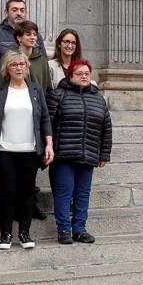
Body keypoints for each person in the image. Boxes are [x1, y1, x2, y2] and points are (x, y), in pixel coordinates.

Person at [0, 50, 53, 250]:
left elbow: (45, 119)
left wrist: (48, 144)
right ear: (7, 69)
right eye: (15, 65)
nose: (19, 68)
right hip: (5, 149)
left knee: (27, 192)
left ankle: (25, 232)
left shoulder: (36, 90)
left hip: (31, 150)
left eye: (22, 64)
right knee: (8, 191)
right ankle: (5, 233)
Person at [47, 59, 112, 245]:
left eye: (87, 73)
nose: (84, 76)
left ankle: (79, 229)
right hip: (63, 155)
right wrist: (47, 148)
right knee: (64, 192)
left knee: (83, 193)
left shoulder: (98, 98)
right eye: (79, 73)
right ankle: (64, 229)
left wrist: (104, 154)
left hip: (88, 153)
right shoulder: (58, 95)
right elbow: (48, 124)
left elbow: (106, 128)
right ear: (70, 76)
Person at [0, 0, 41, 80]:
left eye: (22, 10)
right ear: (6, 12)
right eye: (14, 10)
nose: (19, 13)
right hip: (7, 85)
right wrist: (12, 82)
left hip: (33, 87)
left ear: (26, 13)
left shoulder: (35, 35)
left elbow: (42, 60)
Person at [15, 21, 52, 93]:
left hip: (38, 102)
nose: (32, 37)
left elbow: (48, 87)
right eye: (28, 34)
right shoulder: (9, 58)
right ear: (19, 37)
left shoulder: (42, 60)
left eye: (34, 34)